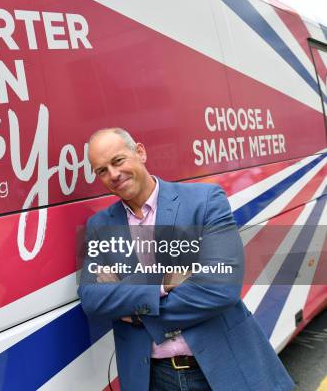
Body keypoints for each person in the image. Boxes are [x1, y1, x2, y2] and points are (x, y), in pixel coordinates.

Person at [78, 128, 294, 391]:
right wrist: (161, 283)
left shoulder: (204, 201)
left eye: (118, 161)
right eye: (102, 170)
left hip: (219, 367)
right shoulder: (100, 226)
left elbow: (222, 289)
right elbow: (91, 298)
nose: (113, 174)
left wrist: (135, 309)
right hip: (151, 377)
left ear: (140, 152)